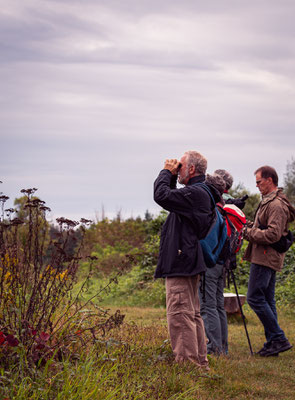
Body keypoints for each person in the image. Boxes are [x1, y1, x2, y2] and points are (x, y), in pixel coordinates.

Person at [153, 151, 222, 369]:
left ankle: (189, 368)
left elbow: (161, 196)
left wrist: (166, 171)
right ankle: (200, 364)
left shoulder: (196, 193)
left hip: (182, 263)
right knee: (191, 315)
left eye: (180, 166)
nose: (177, 168)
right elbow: (171, 198)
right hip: (188, 260)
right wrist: (173, 177)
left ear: (191, 169)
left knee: (180, 315)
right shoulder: (200, 192)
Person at [243, 165, 295, 357]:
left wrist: (246, 232)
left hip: (265, 256)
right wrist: (245, 223)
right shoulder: (271, 202)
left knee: (255, 298)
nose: (257, 186)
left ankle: (278, 338)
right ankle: (273, 344)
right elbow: (264, 227)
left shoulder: (275, 205)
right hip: (266, 255)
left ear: (269, 180)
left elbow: (272, 234)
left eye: (259, 182)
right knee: (267, 299)